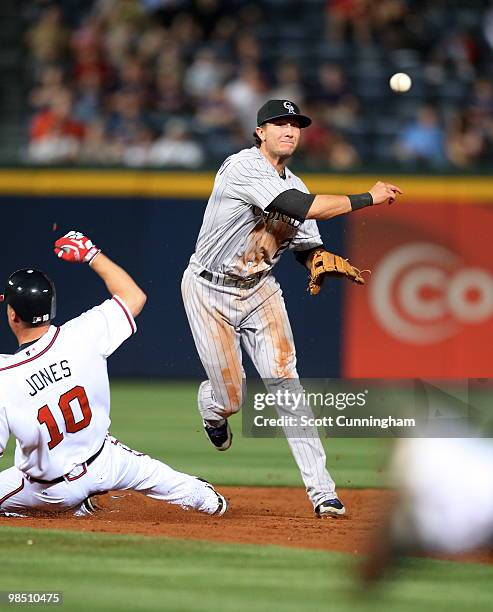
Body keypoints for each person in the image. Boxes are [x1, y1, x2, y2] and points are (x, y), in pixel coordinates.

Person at [181, 99, 402, 518]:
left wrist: (316, 259)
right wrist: (367, 197)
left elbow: (306, 243)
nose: (288, 129)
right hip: (208, 290)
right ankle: (212, 408)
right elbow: (299, 207)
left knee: (287, 386)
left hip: (260, 289)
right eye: (278, 123)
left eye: (296, 124)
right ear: (260, 131)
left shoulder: (296, 182)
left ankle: (323, 493)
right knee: (232, 398)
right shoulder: (241, 167)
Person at [0, 231, 227, 518]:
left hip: (48, 491)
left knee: (31, 496)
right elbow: (133, 296)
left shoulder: (4, 376)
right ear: (51, 307)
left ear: (12, 315)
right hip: (107, 462)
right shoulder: (83, 334)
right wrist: (91, 254)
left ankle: (64, 510)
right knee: (163, 479)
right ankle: (204, 498)